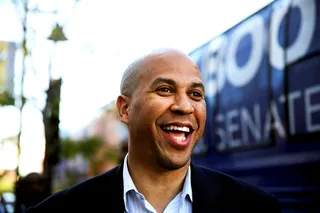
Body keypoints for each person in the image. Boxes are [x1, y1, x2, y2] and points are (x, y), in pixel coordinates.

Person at [25, 48, 282, 213]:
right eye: (165, 90)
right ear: (125, 109)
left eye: (195, 94)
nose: (184, 106)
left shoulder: (257, 209)